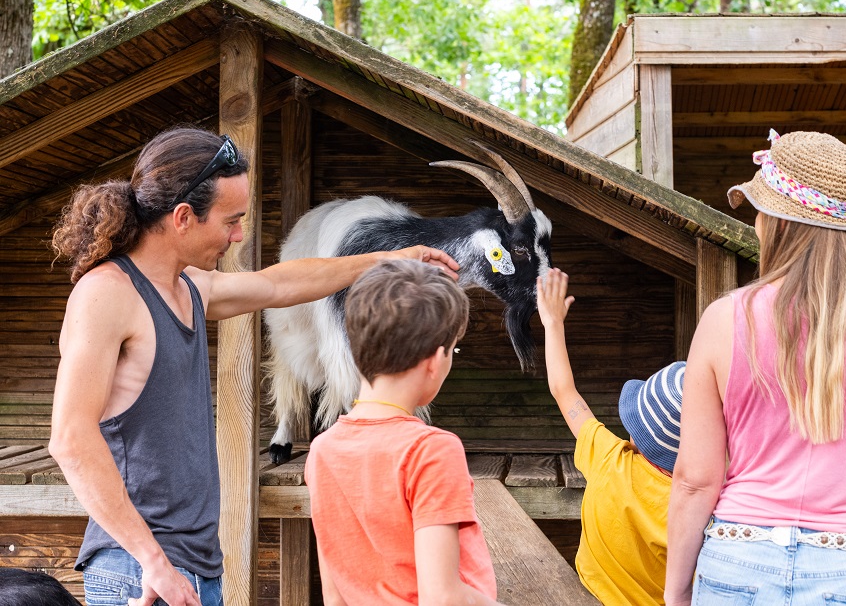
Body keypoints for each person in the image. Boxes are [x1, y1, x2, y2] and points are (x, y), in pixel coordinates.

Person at [48, 127, 459, 606]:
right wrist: (152, 561)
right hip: (138, 574)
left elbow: (279, 284)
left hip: (196, 567)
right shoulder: (107, 294)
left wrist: (392, 258)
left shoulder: (190, 288)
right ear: (183, 217)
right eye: (231, 220)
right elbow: (70, 438)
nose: (239, 234)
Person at [663, 130, 846, 606]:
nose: (755, 223)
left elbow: (695, 479)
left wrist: (676, 594)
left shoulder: (723, 320)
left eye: (760, 210)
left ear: (779, 223)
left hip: (739, 562)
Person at [304, 258, 500, 605]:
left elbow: (333, 596)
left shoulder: (322, 450)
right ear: (435, 361)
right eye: (453, 349)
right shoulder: (431, 450)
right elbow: (441, 598)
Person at [536, 267, 684, 606]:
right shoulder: (699, 509)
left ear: (635, 432)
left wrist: (552, 323)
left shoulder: (608, 457)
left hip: (588, 593)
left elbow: (564, 392)